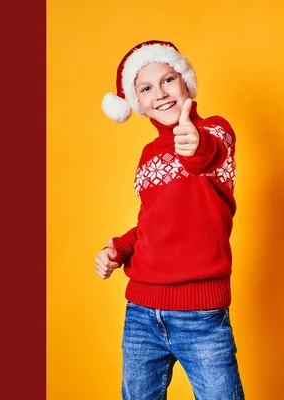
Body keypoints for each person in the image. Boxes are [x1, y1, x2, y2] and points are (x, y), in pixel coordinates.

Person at [95, 40, 245, 399]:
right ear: (137, 104)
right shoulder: (147, 156)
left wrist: (195, 143)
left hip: (202, 316)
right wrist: (119, 248)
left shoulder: (214, 132)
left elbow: (207, 154)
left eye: (168, 80)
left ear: (186, 83)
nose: (160, 93)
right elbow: (153, 221)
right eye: (146, 88)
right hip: (141, 314)